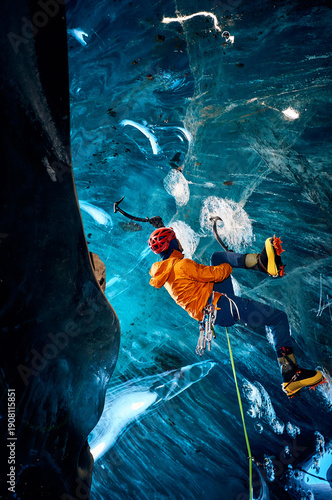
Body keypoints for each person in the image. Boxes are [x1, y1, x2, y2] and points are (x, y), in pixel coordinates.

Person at [148, 227, 324, 398]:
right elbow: (216, 274)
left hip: (214, 311)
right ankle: (291, 375)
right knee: (278, 319)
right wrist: (230, 264)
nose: (179, 241)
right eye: (175, 239)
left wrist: (229, 259)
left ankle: (263, 263)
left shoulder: (165, 274)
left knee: (217, 256)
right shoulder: (182, 265)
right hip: (222, 306)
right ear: (171, 245)